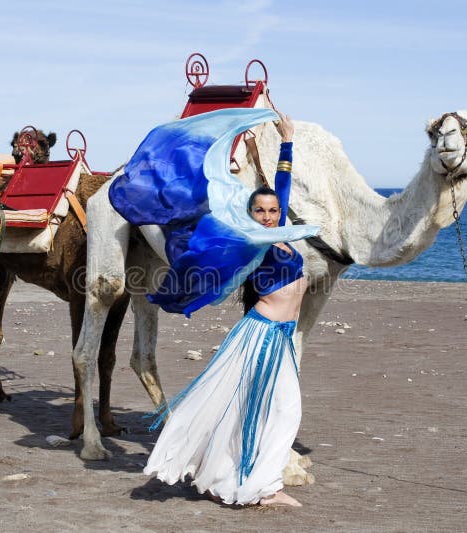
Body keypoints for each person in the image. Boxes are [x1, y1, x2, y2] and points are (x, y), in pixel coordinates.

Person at [108, 108, 318, 507]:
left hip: (280, 339)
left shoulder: (282, 234)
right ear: (249, 215)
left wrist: (285, 142)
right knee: (268, 409)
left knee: (268, 409)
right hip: (261, 336)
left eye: (274, 211)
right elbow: (267, 202)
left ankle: (251, 479)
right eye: (261, 211)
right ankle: (259, 486)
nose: (270, 215)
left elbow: (281, 188)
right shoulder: (253, 240)